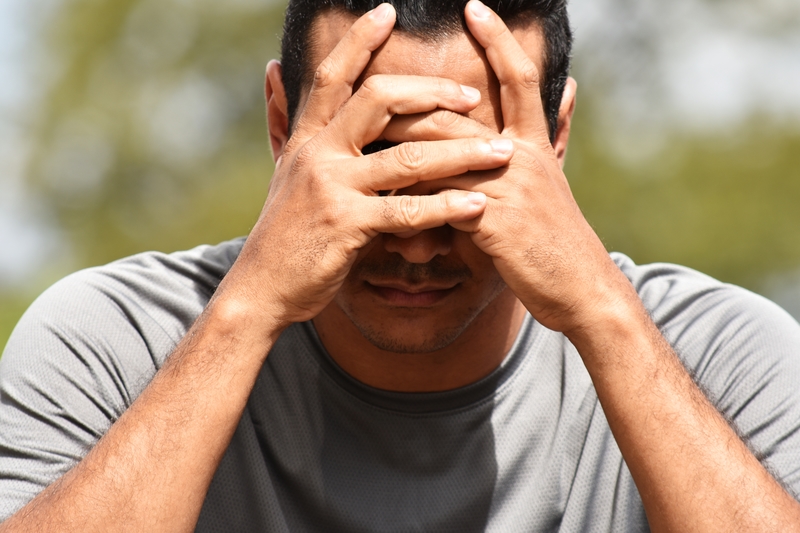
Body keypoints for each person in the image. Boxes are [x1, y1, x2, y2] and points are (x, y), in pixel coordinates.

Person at [1, 0, 800, 530]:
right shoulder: (112, 343)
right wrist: (244, 314)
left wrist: (605, 315)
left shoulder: (718, 354)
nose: (416, 240)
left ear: (556, 137)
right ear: (283, 123)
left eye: (466, 174)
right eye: (375, 164)